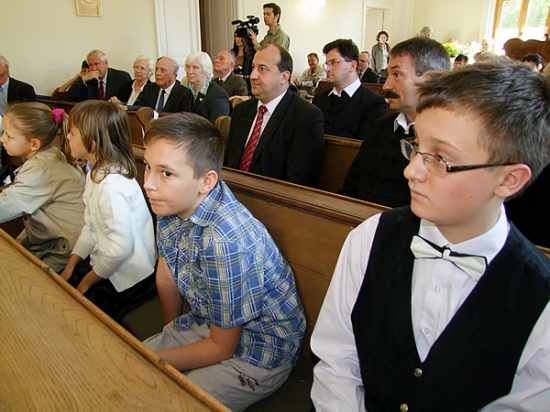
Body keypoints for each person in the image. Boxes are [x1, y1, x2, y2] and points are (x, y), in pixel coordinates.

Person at [311, 58, 550, 412]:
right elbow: (337, 360)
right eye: (416, 145)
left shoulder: (540, 298)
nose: (411, 170)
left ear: (509, 179)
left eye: (440, 158)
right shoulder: (370, 238)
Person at [141, 112, 306, 411]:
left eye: (166, 173)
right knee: (126, 366)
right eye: (147, 166)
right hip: (209, 323)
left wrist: (159, 361)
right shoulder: (169, 203)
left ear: (206, 181)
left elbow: (223, 347)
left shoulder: (224, 241)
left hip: (260, 351)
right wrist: (172, 332)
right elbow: (166, 277)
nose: (149, 184)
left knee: (164, 401)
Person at [60, 101, 156, 322]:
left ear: (92, 144)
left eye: (72, 132)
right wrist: (72, 263)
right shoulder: (96, 172)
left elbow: (119, 250)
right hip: (108, 261)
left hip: (129, 277)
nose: (68, 136)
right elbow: (91, 224)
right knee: (64, 284)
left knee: (78, 314)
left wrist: (87, 282)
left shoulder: (112, 185)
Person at [339, 37, 451, 207]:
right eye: (389, 75)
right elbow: (352, 187)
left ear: (430, 80)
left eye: (397, 75)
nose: (386, 86)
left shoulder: (446, 138)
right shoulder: (380, 127)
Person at [224, 44, 325, 188]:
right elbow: (229, 163)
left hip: (272, 198)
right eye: (253, 67)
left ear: (284, 77)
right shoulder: (242, 110)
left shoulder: (305, 116)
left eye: (262, 69)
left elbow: (297, 184)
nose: (252, 75)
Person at [0, 102, 85, 271]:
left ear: (34, 144)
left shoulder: (41, 168)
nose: (2, 139)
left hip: (64, 250)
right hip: (55, 241)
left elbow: (7, 205)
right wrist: (22, 238)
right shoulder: (49, 156)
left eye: (9, 136)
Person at [313, 39, 387, 140]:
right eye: (327, 64)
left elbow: (369, 145)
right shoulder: (319, 99)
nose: (327, 69)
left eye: (333, 62)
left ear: (352, 65)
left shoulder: (373, 103)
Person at [181, 51, 230, 124]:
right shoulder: (189, 91)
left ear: (206, 70)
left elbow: (216, 127)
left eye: (195, 67)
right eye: (187, 67)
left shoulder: (217, 94)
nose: (189, 72)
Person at [65, 50, 131, 102]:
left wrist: (119, 103)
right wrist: (83, 79)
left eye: (97, 64)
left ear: (106, 63)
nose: (94, 68)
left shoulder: (122, 77)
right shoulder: (88, 80)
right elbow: (69, 97)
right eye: (90, 65)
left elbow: (130, 101)